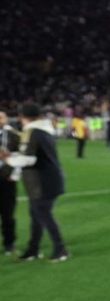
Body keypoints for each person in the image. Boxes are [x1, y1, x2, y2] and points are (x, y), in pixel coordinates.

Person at [0, 104, 68, 262]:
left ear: (22, 116)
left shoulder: (31, 132)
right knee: (37, 215)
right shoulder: (44, 130)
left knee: (43, 215)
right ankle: (33, 249)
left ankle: (60, 249)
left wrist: (7, 159)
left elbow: (28, 159)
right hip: (48, 180)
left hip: (41, 182)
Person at [0, 111, 21, 254]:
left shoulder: (14, 134)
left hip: (6, 179)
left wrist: (14, 174)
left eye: (1, 117)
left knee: (8, 213)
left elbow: (21, 154)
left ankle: (9, 243)